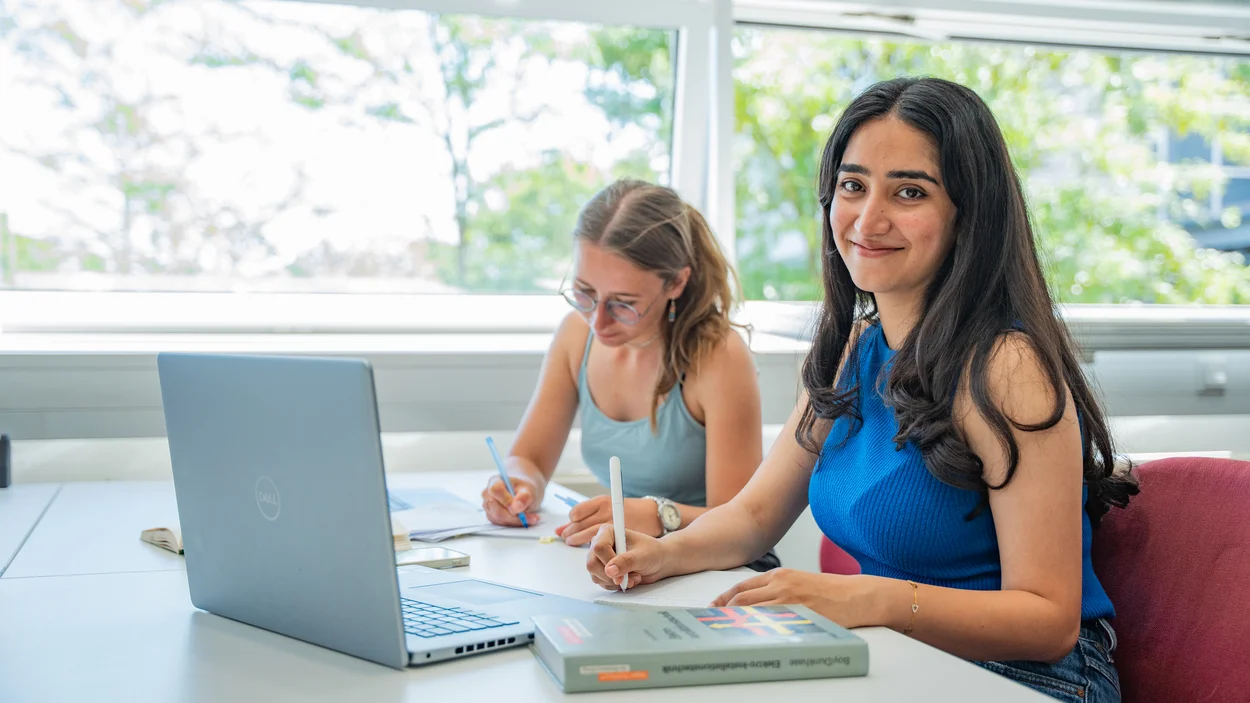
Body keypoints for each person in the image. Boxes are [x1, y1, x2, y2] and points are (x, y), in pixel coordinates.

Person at [585, 78, 1138, 702]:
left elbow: (1049, 622)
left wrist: (870, 598)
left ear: (969, 214)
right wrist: (660, 552)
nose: (868, 220)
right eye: (852, 186)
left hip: (1034, 680)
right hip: (897, 657)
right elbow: (753, 516)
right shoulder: (857, 348)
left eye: (909, 192)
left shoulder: (1006, 367)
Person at [481, 178, 773, 568]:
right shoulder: (575, 334)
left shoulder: (718, 357)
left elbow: (744, 526)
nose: (597, 320)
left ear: (676, 282)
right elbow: (528, 459)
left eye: (623, 303)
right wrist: (517, 486)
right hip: (634, 566)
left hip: (720, 569)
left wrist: (657, 516)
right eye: (584, 292)